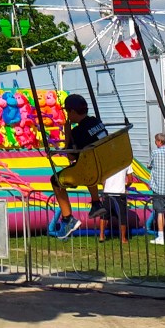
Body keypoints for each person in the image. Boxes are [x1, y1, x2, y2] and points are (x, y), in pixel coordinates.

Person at [52, 94, 108, 239]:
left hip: (88, 169)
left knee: (55, 180)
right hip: (102, 165)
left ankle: (67, 218)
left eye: (67, 112)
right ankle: (96, 202)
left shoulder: (78, 132)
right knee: (88, 165)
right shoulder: (96, 121)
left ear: (72, 112)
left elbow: (70, 156)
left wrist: (68, 134)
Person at [97, 163, 132, 245]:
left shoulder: (108, 162)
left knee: (104, 216)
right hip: (120, 194)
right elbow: (130, 180)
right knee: (122, 217)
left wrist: (105, 187)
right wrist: (125, 187)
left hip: (108, 193)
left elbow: (102, 179)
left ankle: (101, 235)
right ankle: (123, 238)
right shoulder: (126, 162)